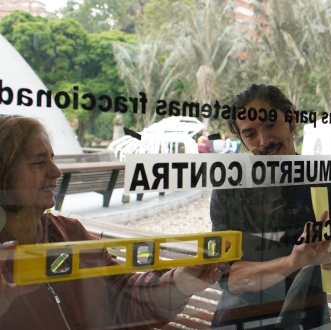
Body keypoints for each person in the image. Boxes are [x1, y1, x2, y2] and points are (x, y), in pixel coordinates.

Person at [0, 115, 230, 330]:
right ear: (4, 172)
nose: (56, 171)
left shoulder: (72, 233)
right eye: (39, 162)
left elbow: (124, 300)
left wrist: (180, 282)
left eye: (52, 158)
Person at [210, 84, 331, 329]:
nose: (264, 140)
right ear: (241, 140)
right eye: (250, 134)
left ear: (291, 118)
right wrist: (292, 262)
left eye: (270, 124)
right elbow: (230, 278)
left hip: (307, 318)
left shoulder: (327, 176)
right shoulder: (232, 186)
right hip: (240, 320)